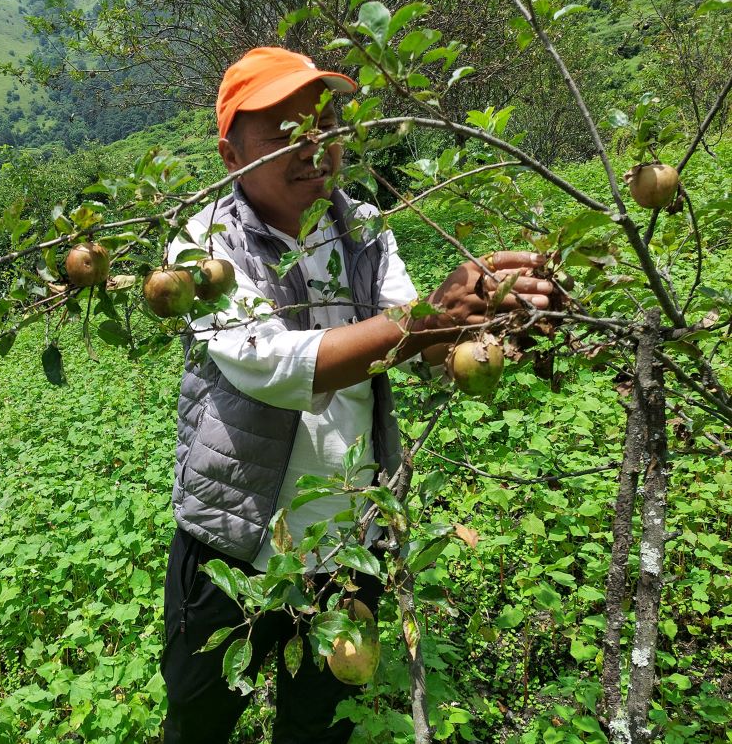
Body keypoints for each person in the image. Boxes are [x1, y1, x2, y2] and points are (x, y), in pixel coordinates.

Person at [161, 47, 553, 744]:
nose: (313, 145)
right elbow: (274, 365)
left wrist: (487, 318)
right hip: (235, 539)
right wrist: (428, 317)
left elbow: (416, 345)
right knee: (199, 715)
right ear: (231, 155)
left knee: (319, 723)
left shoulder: (365, 225)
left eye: (325, 125)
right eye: (285, 131)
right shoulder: (202, 249)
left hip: (348, 541)